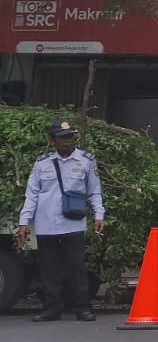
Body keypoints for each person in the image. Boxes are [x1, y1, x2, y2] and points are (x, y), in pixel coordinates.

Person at [17, 119, 106, 322]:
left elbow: (94, 191)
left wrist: (99, 215)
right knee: (49, 269)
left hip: (73, 224)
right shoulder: (42, 163)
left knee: (76, 267)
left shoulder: (86, 160)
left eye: (70, 137)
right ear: (52, 140)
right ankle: (51, 308)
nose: (67, 141)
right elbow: (31, 195)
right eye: (62, 138)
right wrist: (24, 223)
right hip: (46, 224)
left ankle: (82, 308)